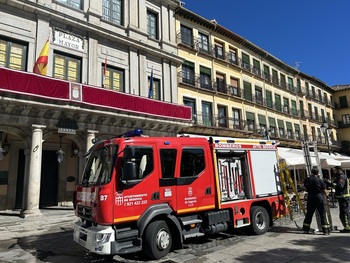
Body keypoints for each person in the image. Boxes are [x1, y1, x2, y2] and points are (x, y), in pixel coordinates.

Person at [302, 168, 330, 235]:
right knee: (322, 213)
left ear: (311, 172)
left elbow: (305, 188)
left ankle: (306, 229)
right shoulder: (320, 180)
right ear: (318, 173)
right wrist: (326, 195)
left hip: (311, 196)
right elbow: (324, 191)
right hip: (319, 197)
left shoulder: (307, 179)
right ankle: (325, 230)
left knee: (309, 213)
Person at [328, 166, 350, 233]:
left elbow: (340, 186)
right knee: (342, 214)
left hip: (344, 198)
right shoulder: (339, 177)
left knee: (345, 213)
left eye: (335, 170)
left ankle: (348, 228)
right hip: (342, 198)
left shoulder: (341, 177)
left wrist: (330, 184)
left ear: (339, 170)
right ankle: (346, 227)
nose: (334, 171)